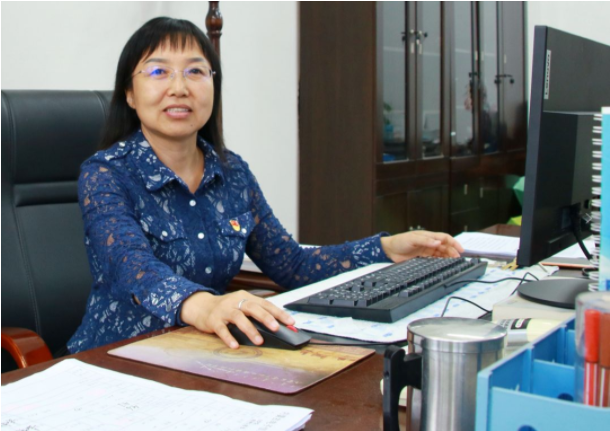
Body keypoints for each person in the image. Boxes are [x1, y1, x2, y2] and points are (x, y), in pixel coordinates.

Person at [67, 17, 464, 354]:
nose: (179, 87)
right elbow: (133, 269)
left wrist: (384, 249)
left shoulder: (233, 173)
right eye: (158, 71)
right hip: (114, 359)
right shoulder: (105, 175)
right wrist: (206, 306)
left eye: (195, 71)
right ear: (129, 93)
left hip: (204, 355)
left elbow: (292, 264)